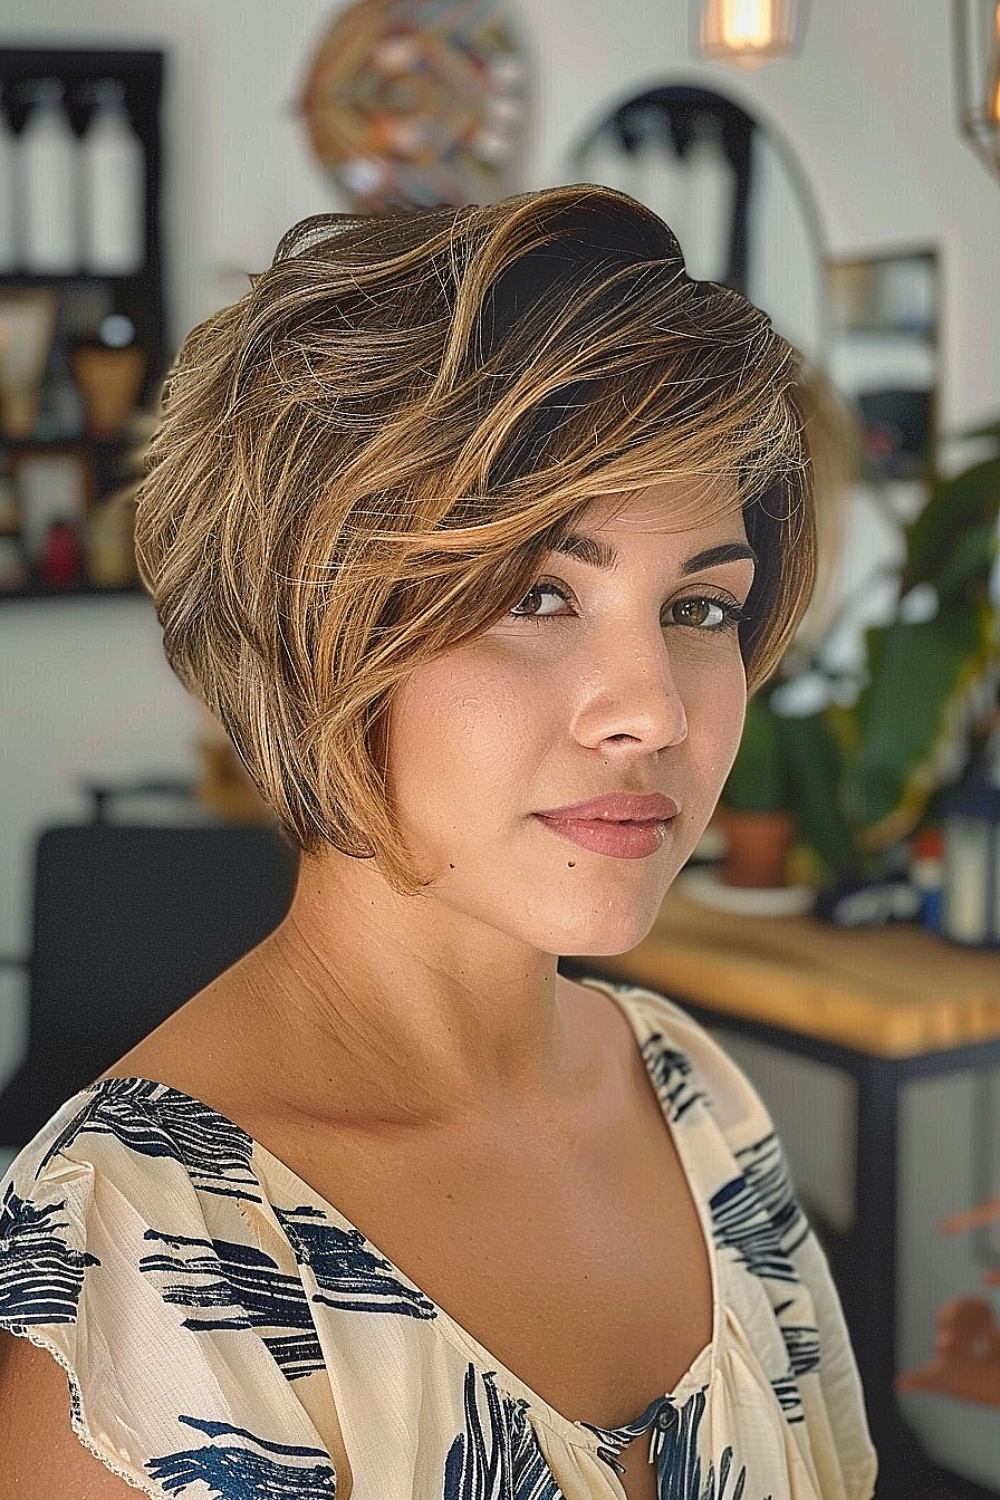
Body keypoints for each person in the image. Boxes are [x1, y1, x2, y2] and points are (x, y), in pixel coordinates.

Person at [0, 184, 877, 1500]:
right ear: (318, 632)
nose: (651, 709)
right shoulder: (146, 1267)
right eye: (538, 593)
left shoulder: (695, 1102)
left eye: (700, 605)